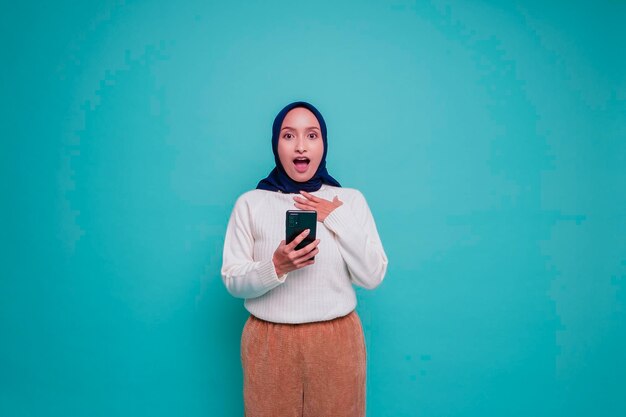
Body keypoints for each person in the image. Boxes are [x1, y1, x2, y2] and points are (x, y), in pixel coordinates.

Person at [221, 101, 388, 417]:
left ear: (324, 143)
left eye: (312, 135)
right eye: (288, 136)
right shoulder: (250, 203)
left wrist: (338, 219)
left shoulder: (350, 200)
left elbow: (373, 276)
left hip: (337, 341)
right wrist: (276, 266)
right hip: (269, 343)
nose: (300, 146)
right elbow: (233, 280)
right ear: (276, 144)